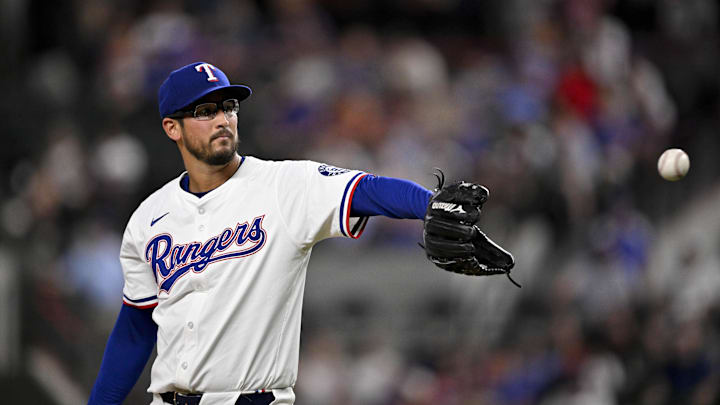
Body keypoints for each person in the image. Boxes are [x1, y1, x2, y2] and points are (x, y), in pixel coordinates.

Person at [88, 61, 515, 405]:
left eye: (228, 107)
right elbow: (136, 328)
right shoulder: (149, 218)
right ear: (171, 128)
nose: (222, 119)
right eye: (205, 111)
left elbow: (366, 189)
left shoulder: (284, 185)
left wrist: (426, 204)